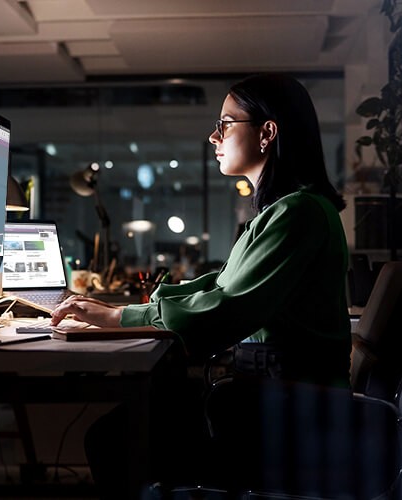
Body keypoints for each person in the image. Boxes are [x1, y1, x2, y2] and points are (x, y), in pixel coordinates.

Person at [51, 73, 352, 498]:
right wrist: (126, 312)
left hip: (287, 412)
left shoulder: (297, 213)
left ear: (267, 132)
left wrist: (119, 316)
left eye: (226, 123)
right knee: (138, 418)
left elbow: (226, 310)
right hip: (279, 400)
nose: (214, 136)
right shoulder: (287, 211)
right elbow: (222, 284)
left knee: (115, 436)